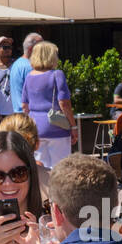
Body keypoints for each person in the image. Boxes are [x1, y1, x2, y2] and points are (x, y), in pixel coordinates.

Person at [20, 40, 76, 168]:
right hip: (56, 126)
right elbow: (64, 103)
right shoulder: (57, 74)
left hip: (35, 127)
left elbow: (24, 105)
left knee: (40, 167)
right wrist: (73, 127)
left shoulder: (29, 77)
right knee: (60, 168)